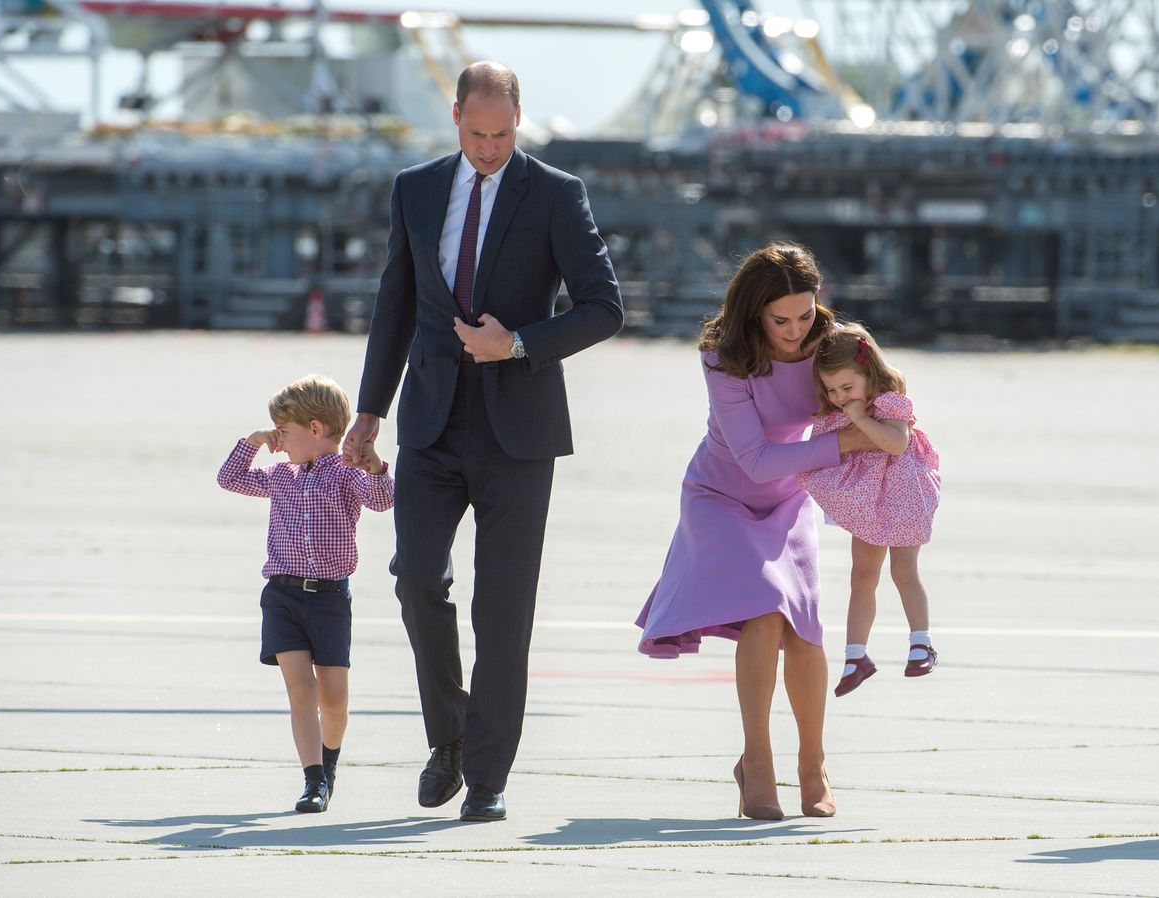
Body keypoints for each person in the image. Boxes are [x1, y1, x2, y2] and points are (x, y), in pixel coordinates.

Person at [343, 61, 624, 823]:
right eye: (477, 134)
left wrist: (523, 342)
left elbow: (604, 307)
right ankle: (451, 737)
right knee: (415, 579)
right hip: (431, 423)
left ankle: (490, 775)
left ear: (518, 119)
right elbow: (394, 305)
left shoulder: (557, 193)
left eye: (503, 135)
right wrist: (369, 412)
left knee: (503, 611)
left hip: (519, 430)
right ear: (456, 117)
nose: (491, 148)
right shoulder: (416, 188)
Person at [635, 242, 876, 820]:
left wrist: (897, 442)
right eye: (780, 319)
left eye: (805, 314)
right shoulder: (723, 355)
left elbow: (885, 397)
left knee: (806, 631)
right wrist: (846, 441)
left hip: (791, 496)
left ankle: (812, 765)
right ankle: (758, 764)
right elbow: (756, 459)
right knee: (765, 615)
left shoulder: (834, 343)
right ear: (753, 313)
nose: (795, 331)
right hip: (720, 495)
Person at [217, 374, 394, 813]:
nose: (280, 440)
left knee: (332, 700)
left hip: (330, 599)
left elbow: (383, 500)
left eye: (283, 431)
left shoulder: (347, 474)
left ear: (315, 429)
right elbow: (230, 478)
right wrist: (255, 440)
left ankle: (329, 766)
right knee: (301, 692)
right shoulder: (280, 475)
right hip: (282, 597)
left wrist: (374, 465)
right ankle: (312, 781)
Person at [797, 323, 941, 697]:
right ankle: (855, 656)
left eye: (847, 387)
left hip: (904, 494)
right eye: (831, 389)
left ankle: (921, 642)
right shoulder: (839, 407)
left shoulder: (888, 400)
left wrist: (861, 418)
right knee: (861, 576)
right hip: (870, 501)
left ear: (869, 372)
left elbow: (895, 444)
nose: (840, 397)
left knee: (903, 571)